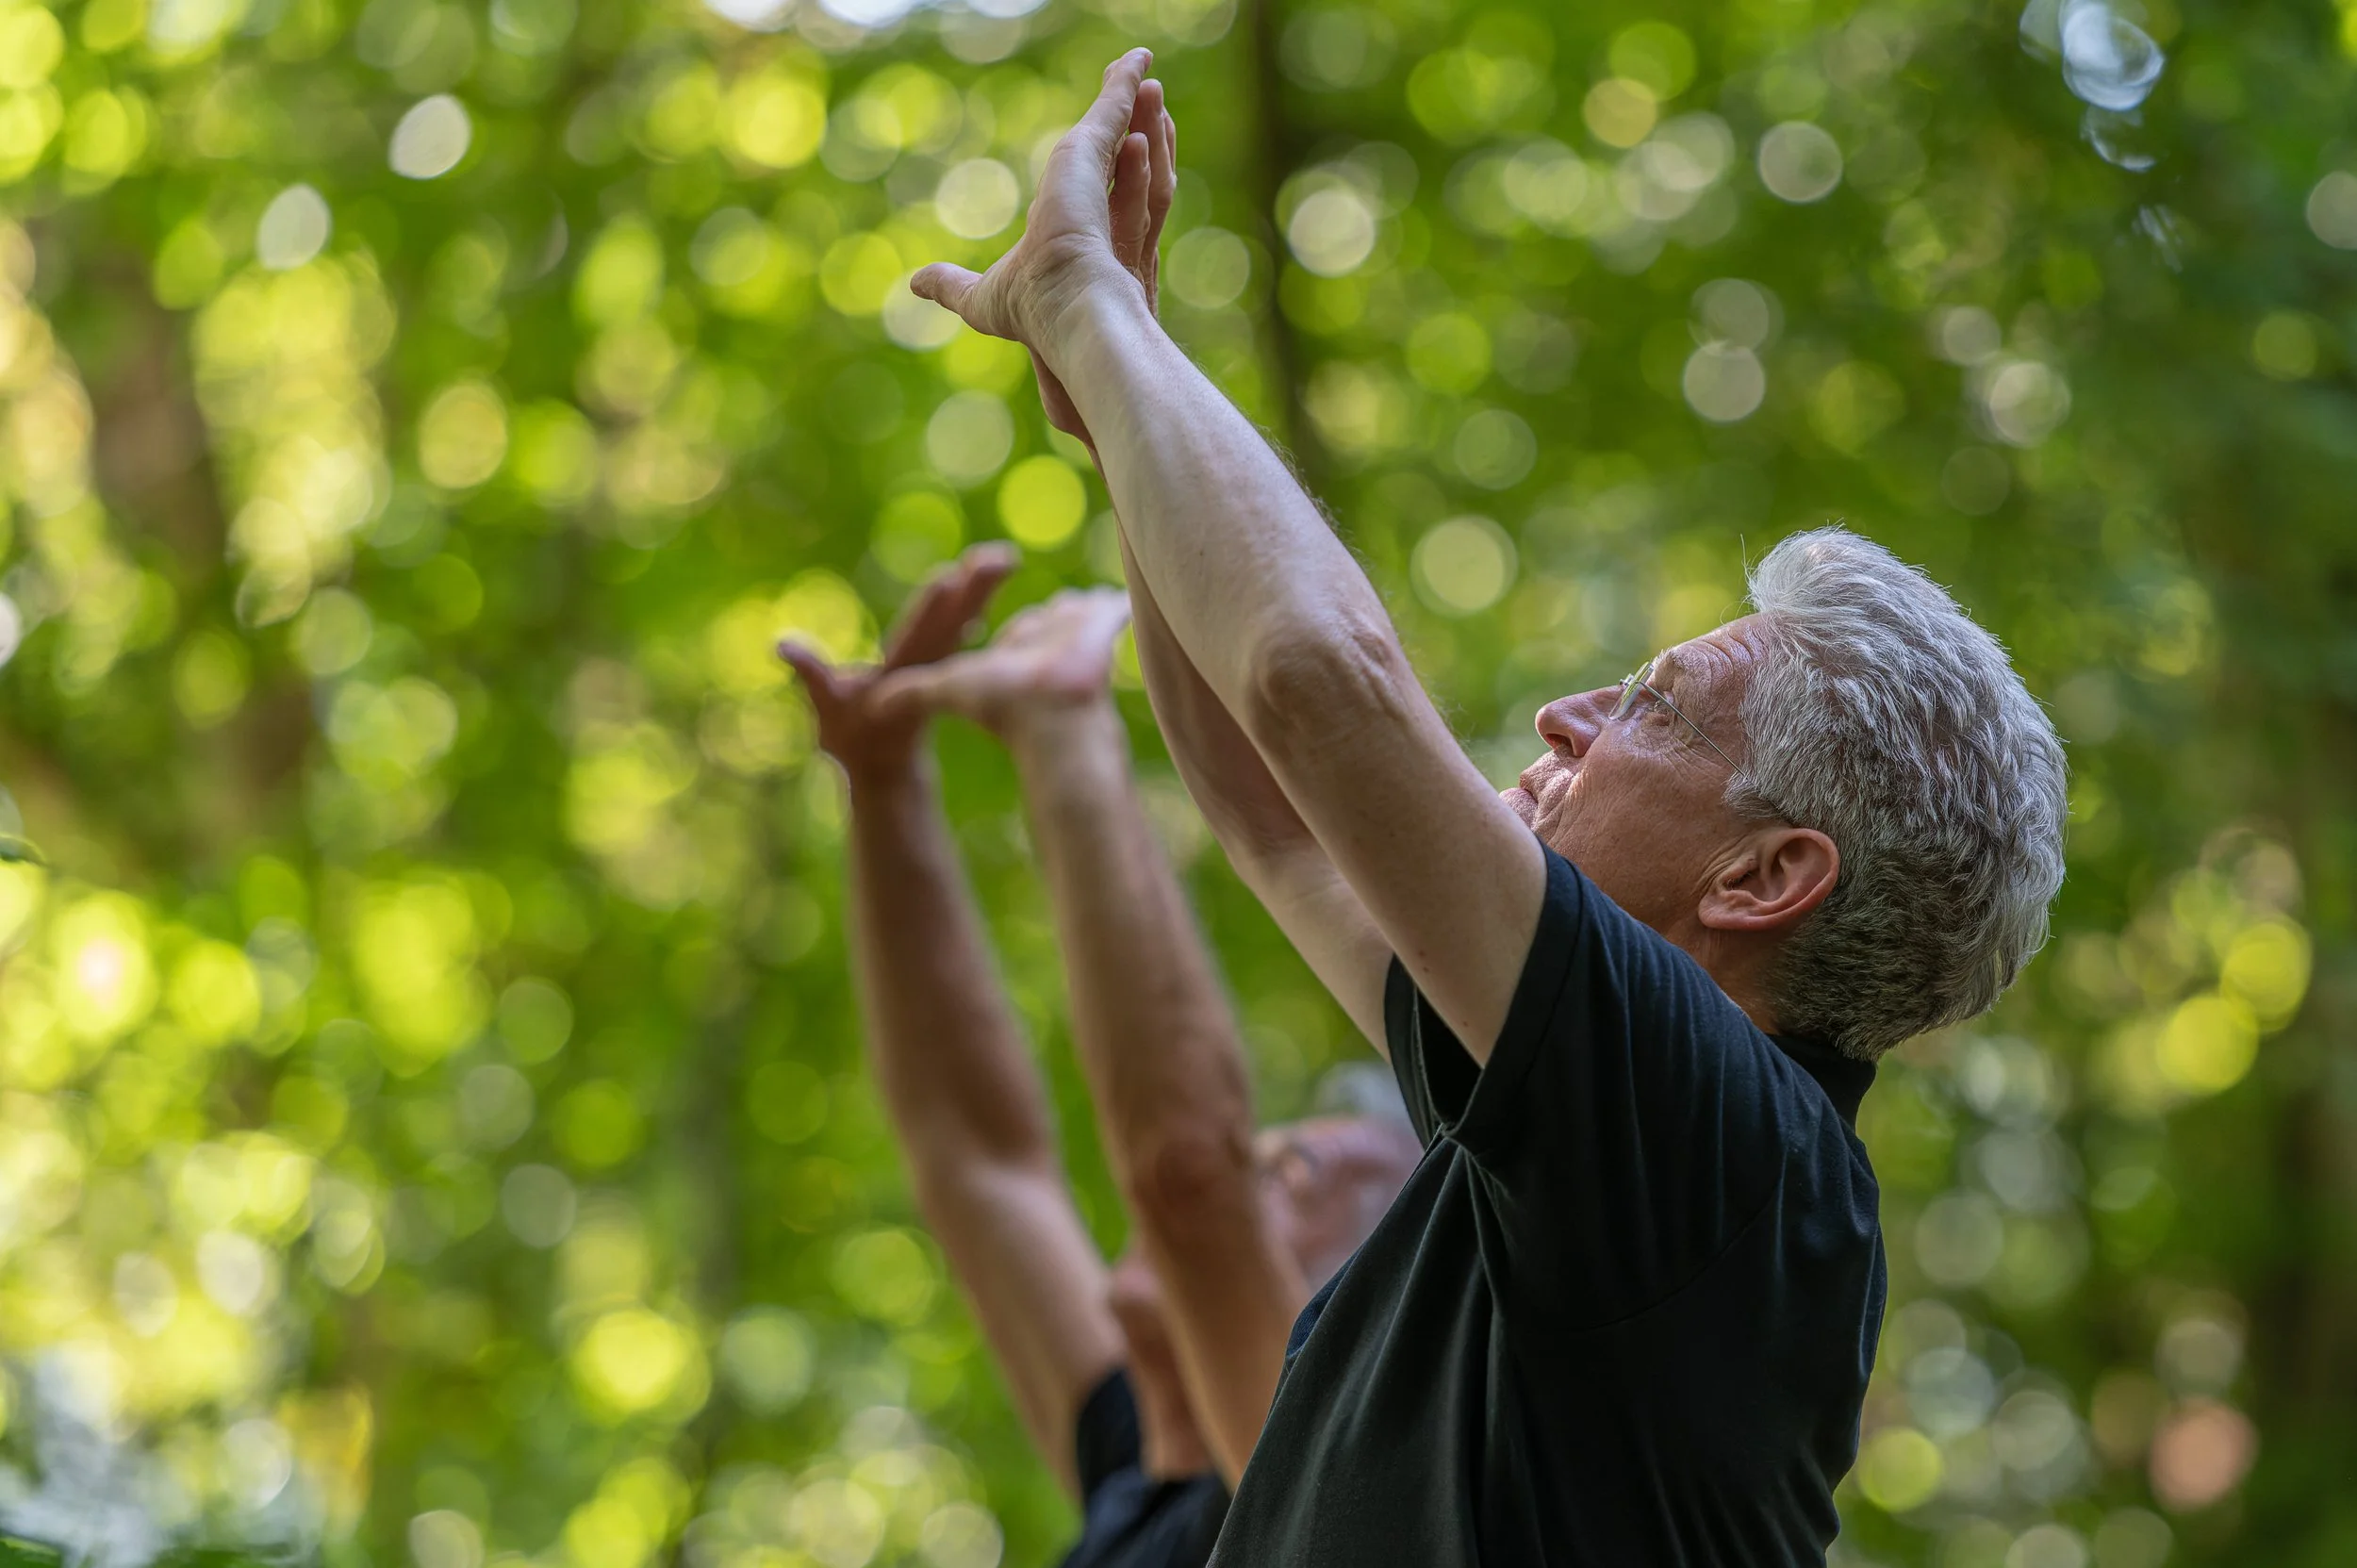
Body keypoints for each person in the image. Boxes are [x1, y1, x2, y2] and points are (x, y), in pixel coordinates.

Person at [902, 50, 2072, 1565]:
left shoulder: (1727, 1149)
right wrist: (1130, 423)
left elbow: (1321, 682)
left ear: (1767, 870)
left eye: (1650, 703)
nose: (1560, 715)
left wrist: (1090, 306)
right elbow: (1280, 818)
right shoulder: (1582, 1127)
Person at [782, 549, 1422, 1568]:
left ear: (1349, 1315)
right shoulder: (1136, 1478)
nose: (1253, 1153)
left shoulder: (1304, 1483)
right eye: (1274, 1142)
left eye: (1297, 1171)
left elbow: (1187, 1176)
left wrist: (1067, 726)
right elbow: (975, 1158)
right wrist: (885, 780)